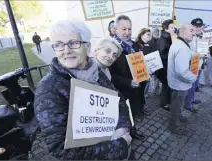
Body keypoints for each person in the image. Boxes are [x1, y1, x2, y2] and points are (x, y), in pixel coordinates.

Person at [29, 20, 133, 160]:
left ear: (88, 47)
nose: (66, 50)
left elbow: (118, 101)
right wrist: (119, 146)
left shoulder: (95, 72)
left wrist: (123, 128)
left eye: (73, 43)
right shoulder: (49, 88)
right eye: (59, 44)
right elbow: (61, 149)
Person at [109, 15, 145, 140]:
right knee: (123, 117)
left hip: (135, 89)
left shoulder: (135, 45)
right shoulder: (110, 48)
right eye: (124, 29)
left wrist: (145, 70)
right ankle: (124, 138)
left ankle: (133, 131)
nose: (127, 32)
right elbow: (109, 76)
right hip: (121, 92)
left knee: (133, 113)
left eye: (129, 29)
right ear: (115, 29)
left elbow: (139, 63)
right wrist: (128, 82)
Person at [167, 24, 197, 135]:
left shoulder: (179, 44)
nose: (194, 33)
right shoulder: (181, 47)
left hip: (177, 83)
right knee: (177, 105)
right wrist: (193, 78)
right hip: (180, 84)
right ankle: (174, 126)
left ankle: (178, 118)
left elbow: (186, 57)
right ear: (183, 32)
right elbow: (182, 72)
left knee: (177, 104)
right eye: (191, 30)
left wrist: (198, 56)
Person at [135, 28, 156, 116]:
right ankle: (138, 110)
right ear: (141, 35)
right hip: (138, 73)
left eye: (150, 35)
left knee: (142, 91)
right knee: (138, 92)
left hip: (146, 72)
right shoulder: (137, 45)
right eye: (148, 35)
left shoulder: (148, 45)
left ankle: (141, 108)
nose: (149, 37)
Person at [156, 19, 176, 111]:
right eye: (171, 27)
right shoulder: (164, 39)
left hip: (167, 66)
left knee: (167, 85)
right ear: (166, 29)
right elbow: (163, 54)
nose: (174, 29)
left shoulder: (168, 37)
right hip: (165, 67)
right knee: (166, 85)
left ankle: (167, 101)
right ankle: (164, 103)